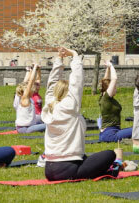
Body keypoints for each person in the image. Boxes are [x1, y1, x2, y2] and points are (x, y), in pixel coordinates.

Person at [42, 47, 121, 181]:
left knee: (89, 159)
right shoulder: (69, 106)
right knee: (110, 154)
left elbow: (51, 85)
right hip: (68, 169)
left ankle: (102, 169)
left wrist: (59, 60)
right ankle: (111, 168)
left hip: (49, 169)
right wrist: (75, 56)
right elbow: (76, 81)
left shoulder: (49, 105)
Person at [98, 60, 132, 142]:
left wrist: (108, 68)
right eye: (114, 87)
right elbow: (114, 78)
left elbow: (105, 81)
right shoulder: (106, 98)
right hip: (110, 134)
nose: (115, 89)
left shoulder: (103, 97)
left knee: (138, 128)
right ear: (108, 89)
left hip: (112, 132)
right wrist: (112, 65)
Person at [15, 64, 46, 134]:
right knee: (50, 126)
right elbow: (31, 81)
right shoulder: (24, 99)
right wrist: (34, 68)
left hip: (29, 125)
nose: (33, 89)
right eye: (31, 89)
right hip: (25, 129)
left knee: (48, 119)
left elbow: (36, 81)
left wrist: (37, 69)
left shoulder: (28, 98)